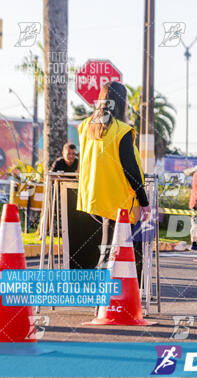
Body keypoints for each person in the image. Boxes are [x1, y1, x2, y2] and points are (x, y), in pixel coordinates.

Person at [76, 81, 151, 280]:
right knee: (117, 250)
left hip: (95, 197)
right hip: (120, 199)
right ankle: (111, 296)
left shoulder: (86, 127)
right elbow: (131, 169)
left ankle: (103, 295)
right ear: (122, 102)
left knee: (108, 246)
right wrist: (144, 202)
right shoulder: (122, 130)